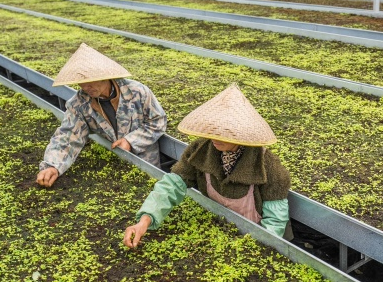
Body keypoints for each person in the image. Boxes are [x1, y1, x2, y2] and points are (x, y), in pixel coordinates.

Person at [123, 84, 291, 247]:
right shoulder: (200, 150)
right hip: (217, 227)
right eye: (212, 131)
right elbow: (172, 185)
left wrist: (259, 249)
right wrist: (145, 220)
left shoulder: (268, 166)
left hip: (253, 237)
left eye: (224, 133)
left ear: (240, 133)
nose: (215, 138)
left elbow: (275, 223)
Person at [36, 43, 167, 187]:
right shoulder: (80, 104)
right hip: (115, 168)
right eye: (81, 82)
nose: (85, 87)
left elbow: (157, 121)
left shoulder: (137, 92)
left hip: (147, 165)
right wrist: (52, 165)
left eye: (89, 81)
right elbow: (68, 135)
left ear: (105, 75)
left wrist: (130, 141)